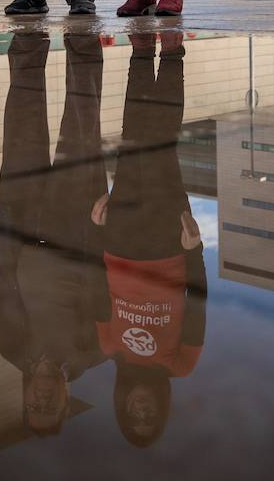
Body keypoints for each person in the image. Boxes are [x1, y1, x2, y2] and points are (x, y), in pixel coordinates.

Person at [0, 31, 109, 437]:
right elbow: (105, 285)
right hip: (78, 227)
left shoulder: (10, 348)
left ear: (25, 399)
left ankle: (28, 40)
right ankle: (83, 38)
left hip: (21, 224)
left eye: (33, 407)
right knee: (82, 122)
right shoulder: (94, 352)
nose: (41, 400)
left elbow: (3, 283)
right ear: (65, 401)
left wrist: (5, 228)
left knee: (21, 123)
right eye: (50, 407)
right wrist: (102, 232)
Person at [91, 32, 205, 447]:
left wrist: (97, 230)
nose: (141, 410)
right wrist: (195, 252)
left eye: (133, 416)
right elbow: (198, 304)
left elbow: (96, 287)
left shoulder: (110, 347)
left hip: (119, 241)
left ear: (122, 406)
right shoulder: (179, 364)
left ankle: (141, 52)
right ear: (160, 408)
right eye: (149, 417)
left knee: (133, 139)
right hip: (166, 246)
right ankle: (171, 53)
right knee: (160, 145)